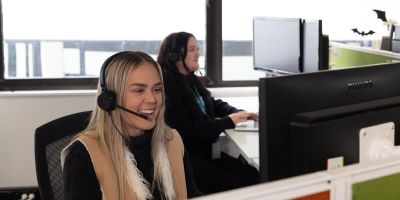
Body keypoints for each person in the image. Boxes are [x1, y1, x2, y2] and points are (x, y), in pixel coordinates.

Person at [61, 51, 201, 200]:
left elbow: (193, 196)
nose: (152, 99)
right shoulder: (83, 154)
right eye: (139, 90)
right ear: (110, 99)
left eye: (157, 89)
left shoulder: (172, 141)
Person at [157, 32, 259, 194]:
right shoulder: (167, 87)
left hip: (205, 153)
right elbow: (188, 131)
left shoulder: (189, 79)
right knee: (232, 182)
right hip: (189, 160)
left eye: (197, 48)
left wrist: (239, 113)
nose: (198, 53)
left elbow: (211, 103)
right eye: (191, 49)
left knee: (251, 174)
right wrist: (228, 121)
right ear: (174, 55)